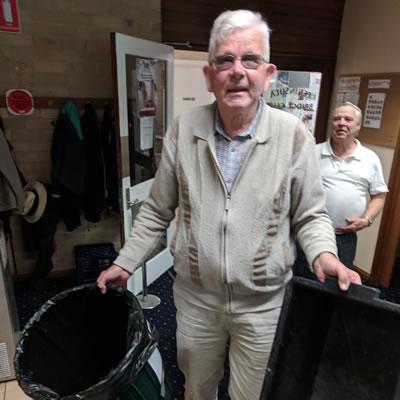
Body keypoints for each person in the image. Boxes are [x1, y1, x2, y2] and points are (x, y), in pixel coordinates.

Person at [97, 10, 361, 400]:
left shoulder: (293, 135)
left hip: (262, 304)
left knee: (250, 393)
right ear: (209, 76)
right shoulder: (184, 129)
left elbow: (309, 213)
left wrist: (323, 254)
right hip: (196, 300)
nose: (237, 71)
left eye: (250, 59)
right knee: (198, 388)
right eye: (225, 60)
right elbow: (156, 210)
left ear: (268, 74)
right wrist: (126, 261)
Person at [315, 102, 388, 268]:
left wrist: (367, 219)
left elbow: (379, 195)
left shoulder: (370, 158)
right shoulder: (313, 152)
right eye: (337, 119)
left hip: (344, 237)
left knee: (339, 287)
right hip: (311, 234)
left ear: (358, 127)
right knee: (303, 283)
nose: (341, 123)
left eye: (348, 119)